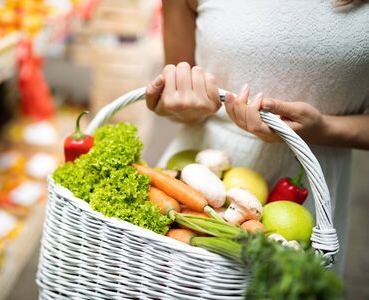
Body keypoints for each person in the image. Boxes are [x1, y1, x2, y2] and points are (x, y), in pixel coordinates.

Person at [145, 0, 369, 276]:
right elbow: (179, 87)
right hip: (189, 186)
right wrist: (178, 104)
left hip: (314, 192)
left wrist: (322, 129)